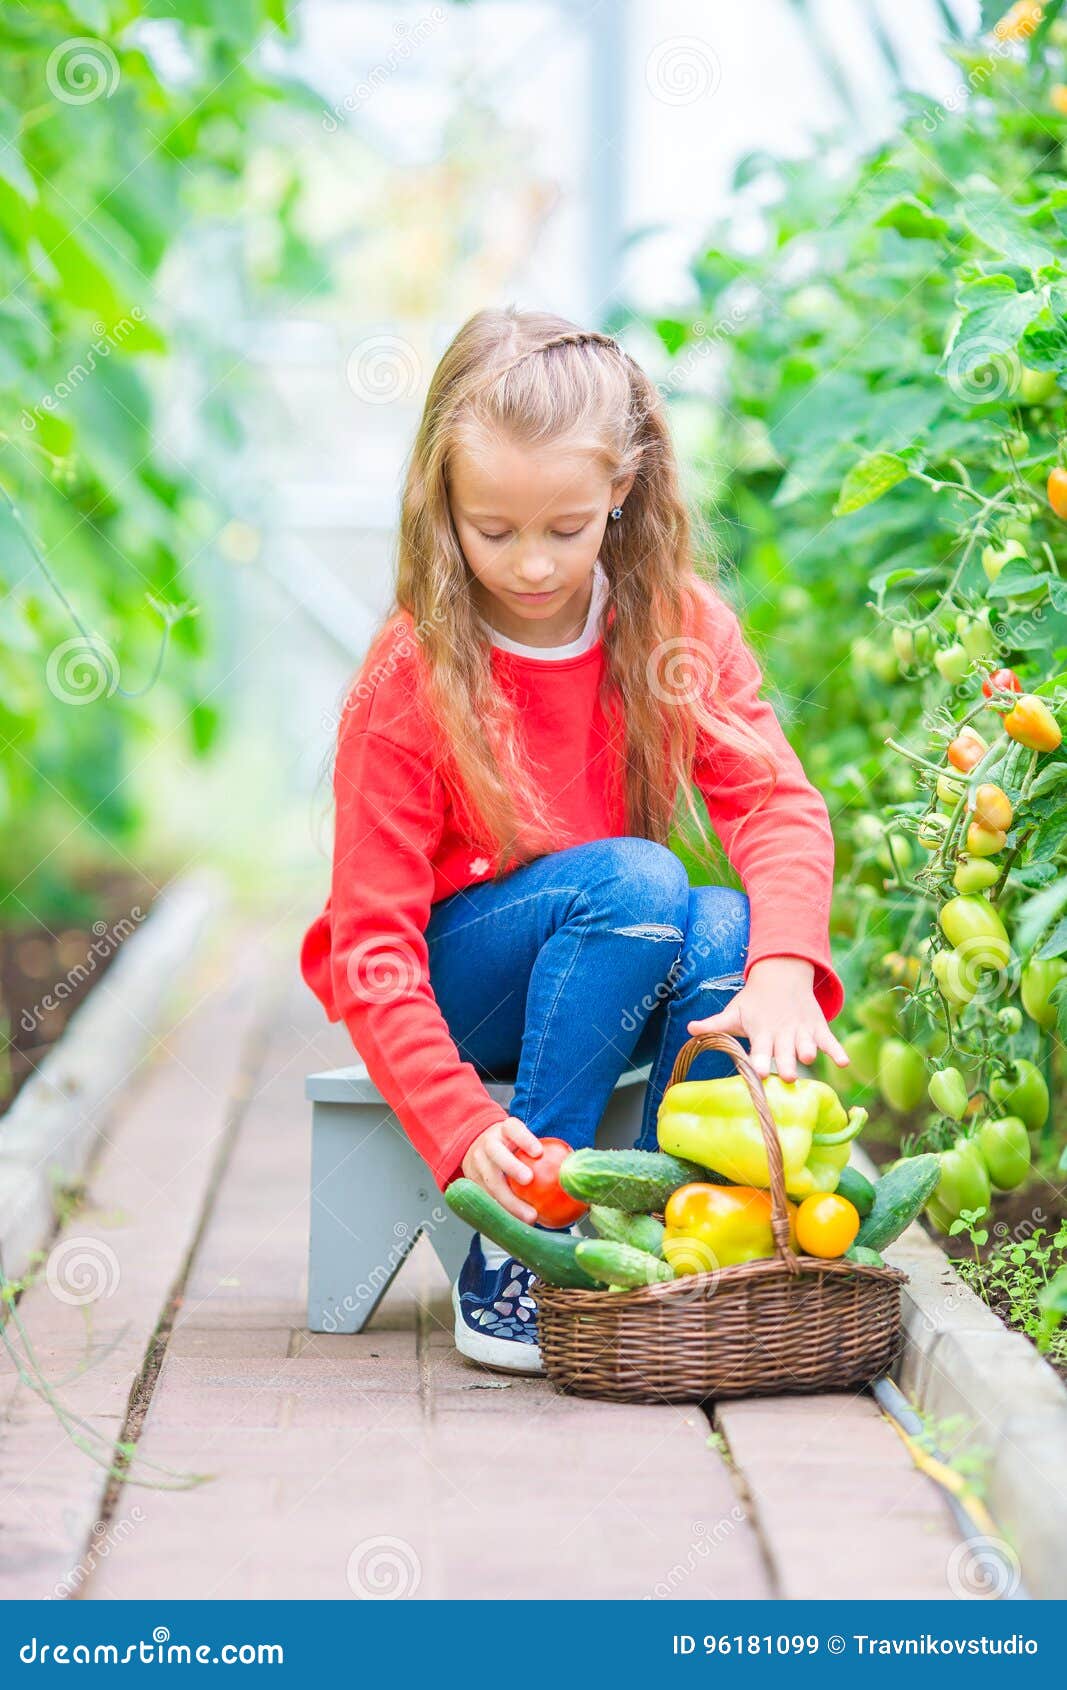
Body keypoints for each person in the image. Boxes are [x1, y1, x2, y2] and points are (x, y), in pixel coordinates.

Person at [300, 307, 847, 1374]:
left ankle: (648, 1233)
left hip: (614, 960)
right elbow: (371, 943)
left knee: (730, 921)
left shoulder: (673, 628)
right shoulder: (409, 671)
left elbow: (776, 804)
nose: (533, 564)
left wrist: (784, 965)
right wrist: (463, 1127)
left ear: (621, 490)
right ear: (440, 503)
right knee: (639, 878)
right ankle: (527, 1241)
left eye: (566, 527)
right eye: (491, 530)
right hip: (469, 981)